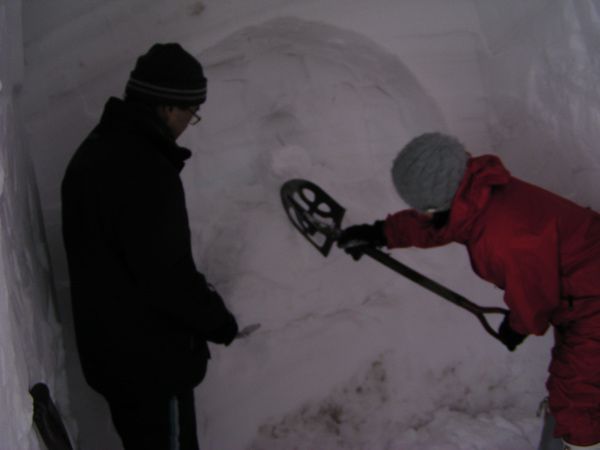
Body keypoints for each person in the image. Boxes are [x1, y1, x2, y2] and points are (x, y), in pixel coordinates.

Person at [337, 132, 600, 450]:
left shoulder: (502, 237)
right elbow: (439, 226)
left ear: (439, 203)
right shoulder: (476, 192)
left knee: (576, 398)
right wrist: (380, 233)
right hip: (580, 287)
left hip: (591, 302)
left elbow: (534, 298)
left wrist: (516, 328)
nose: (420, 214)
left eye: (422, 209)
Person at [61, 43, 239, 450]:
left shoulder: (98, 149)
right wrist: (217, 321)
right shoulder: (144, 170)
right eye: (191, 112)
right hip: (151, 367)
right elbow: (167, 276)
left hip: (116, 357)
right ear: (166, 106)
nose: (190, 123)